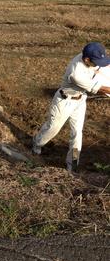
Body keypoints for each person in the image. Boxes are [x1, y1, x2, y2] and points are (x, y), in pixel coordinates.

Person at [33, 42, 110, 171]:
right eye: (96, 62)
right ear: (87, 59)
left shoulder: (86, 56)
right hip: (64, 101)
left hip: (80, 100)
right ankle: (37, 143)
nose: (98, 65)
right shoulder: (76, 73)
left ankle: (72, 164)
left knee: (77, 133)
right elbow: (102, 89)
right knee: (52, 128)